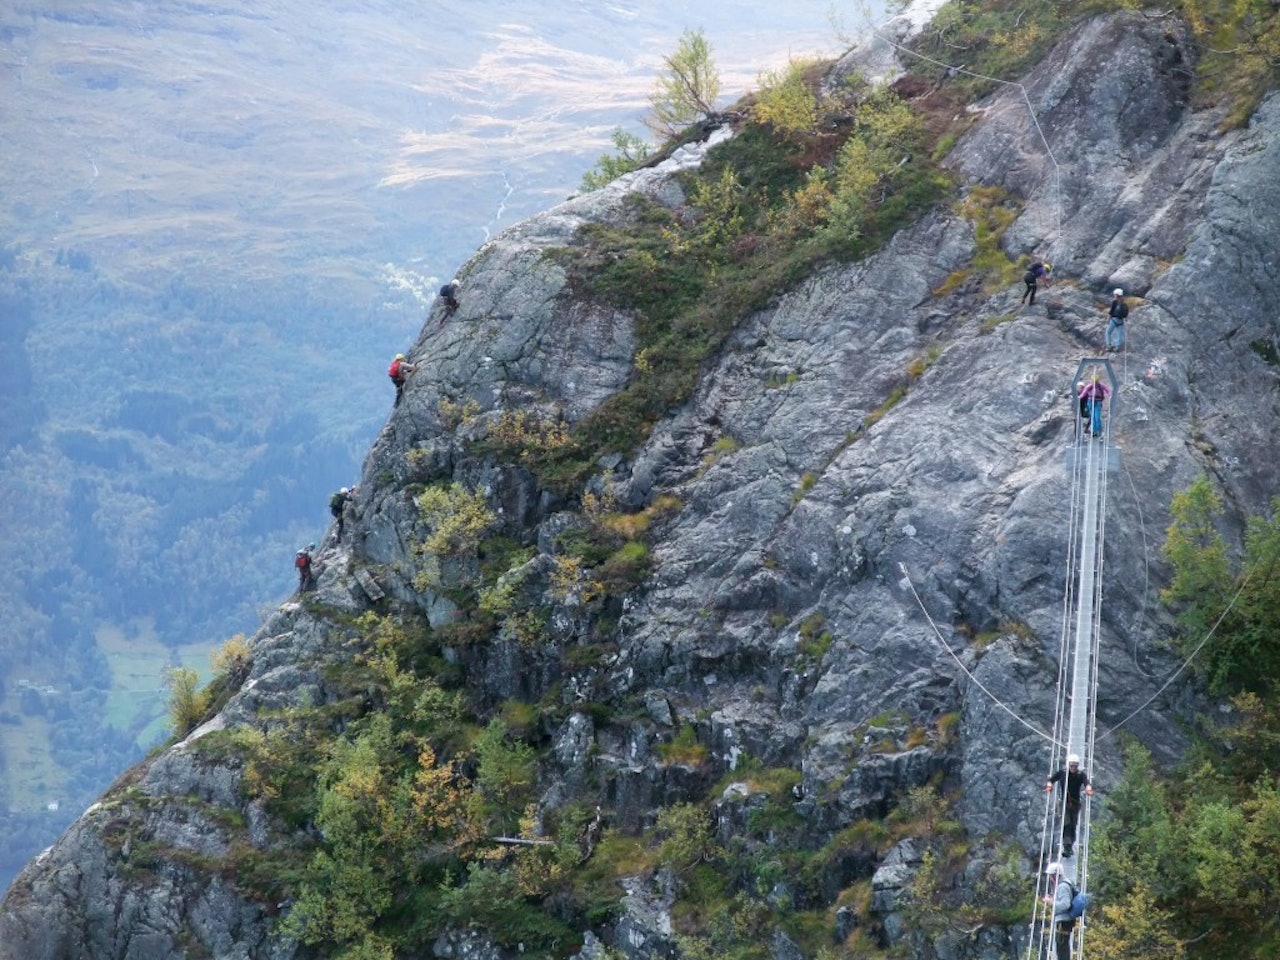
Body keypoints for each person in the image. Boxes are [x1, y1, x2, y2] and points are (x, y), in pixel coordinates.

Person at [1045, 753, 1094, 856]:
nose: (1073, 768)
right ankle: (1067, 847)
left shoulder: (1080, 775)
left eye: (1075, 766)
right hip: (1063, 803)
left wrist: (1088, 789)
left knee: (1073, 825)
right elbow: (1051, 779)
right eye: (1071, 765)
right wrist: (1049, 786)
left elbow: (1087, 782)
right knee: (1066, 823)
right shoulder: (1063, 773)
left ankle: (1070, 846)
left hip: (1075, 804)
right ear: (1068, 765)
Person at [1043, 862, 1078, 960]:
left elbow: (1065, 904)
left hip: (1064, 920)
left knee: (1062, 948)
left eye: (1051, 875)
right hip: (1065, 920)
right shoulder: (1065, 884)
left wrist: (1051, 902)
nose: (1050, 878)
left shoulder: (1063, 886)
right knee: (1062, 946)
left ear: (1055, 875)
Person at [1076, 373, 1111, 439]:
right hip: (1090, 402)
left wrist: (1110, 395)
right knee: (1092, 417)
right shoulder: (1089, 386)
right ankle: (1094, 431)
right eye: (1093, 381)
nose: (1094, 383)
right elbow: (1084, 393)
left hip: (1098, 402)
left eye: (1096, 381)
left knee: (1097, 417)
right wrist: (1079, 397)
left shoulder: (1101, 386)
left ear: (1098, 381)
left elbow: (1107, 390)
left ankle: (1099, 431)